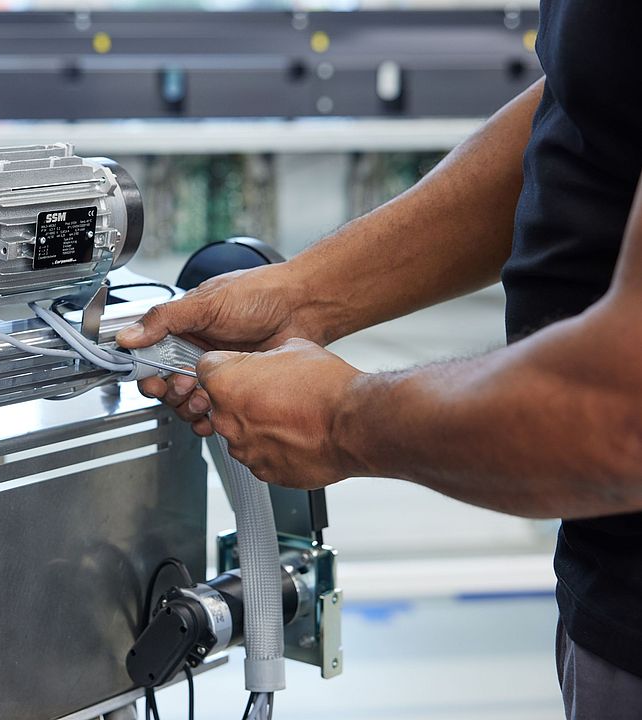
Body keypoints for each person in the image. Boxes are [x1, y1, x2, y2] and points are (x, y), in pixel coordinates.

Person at [115, 2, 642, 717]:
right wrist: (304, 295)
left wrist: (340, 420)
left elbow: (623, 413)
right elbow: (589, 109)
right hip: (606, 590)